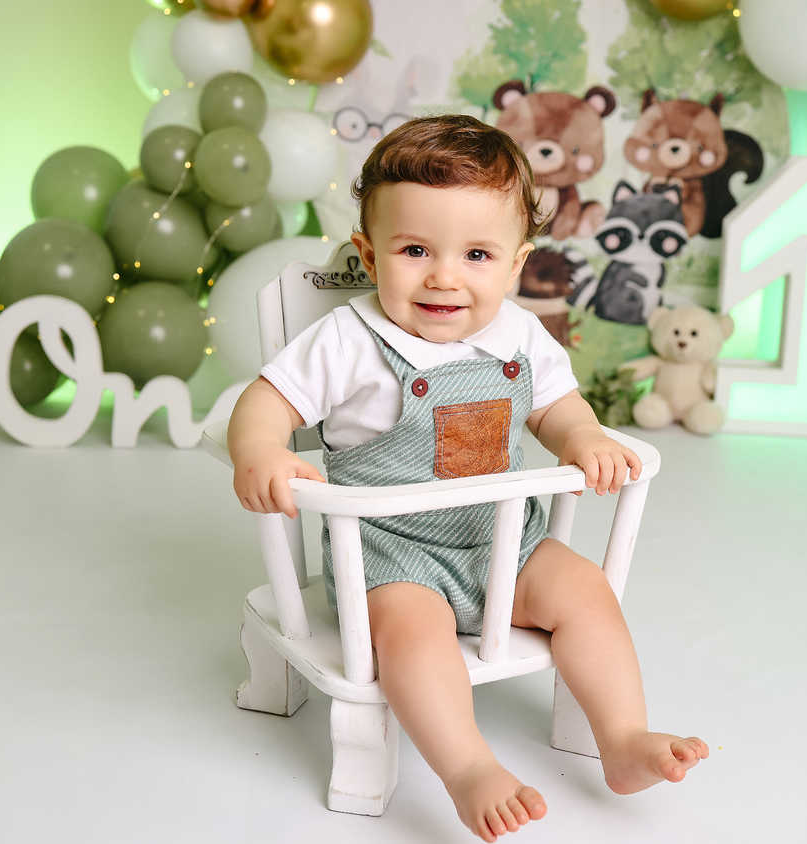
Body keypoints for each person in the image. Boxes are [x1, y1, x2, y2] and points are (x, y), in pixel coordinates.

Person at [227, 114, 707, 842]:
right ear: (369, 253)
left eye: (477, 254)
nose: (444, 277)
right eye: (415, 249)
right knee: (412, 639)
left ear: (516, 265)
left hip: (506, 543)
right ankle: (468, 767)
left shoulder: (519, 333)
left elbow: (557, 407)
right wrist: (259, 449)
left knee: (587, 591)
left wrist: (583, 437)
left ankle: (622, 737)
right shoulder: (349, 339)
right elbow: (266, 401)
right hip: (393, 553)